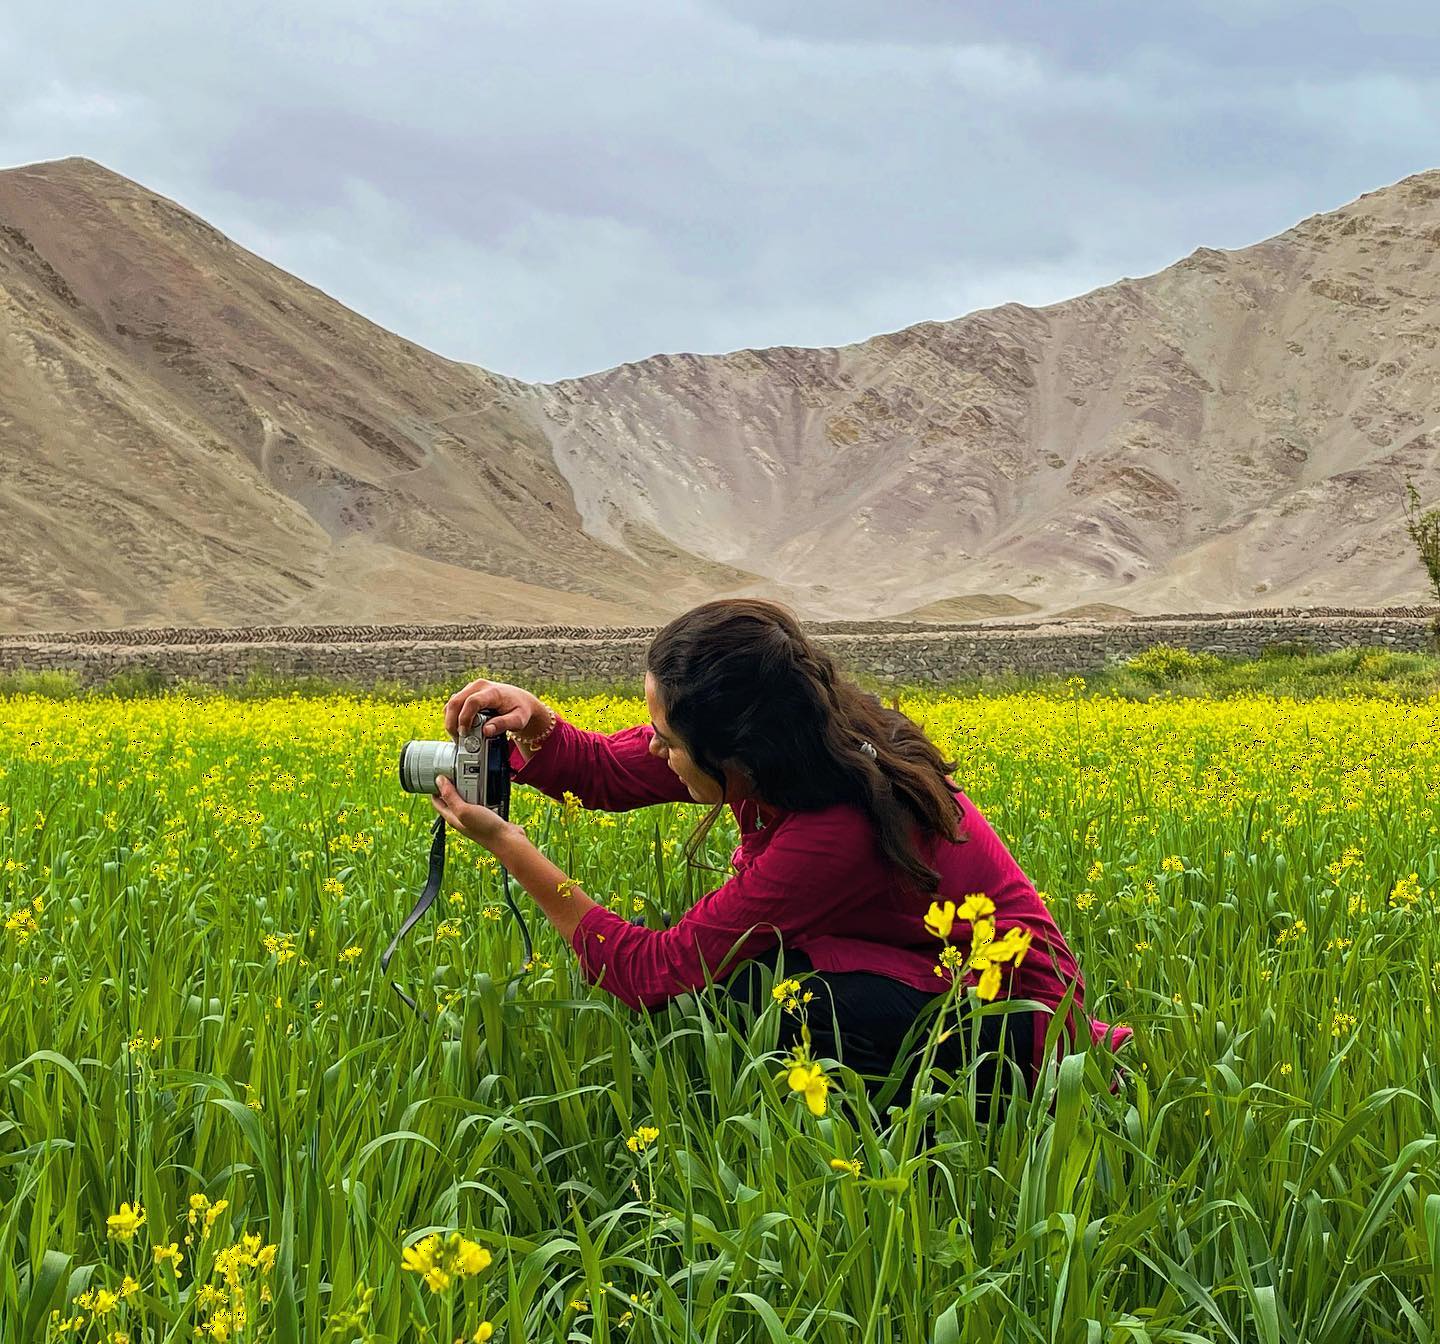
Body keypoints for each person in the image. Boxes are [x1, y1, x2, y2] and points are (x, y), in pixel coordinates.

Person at [429, 598, 1130, 1117]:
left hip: (1016, 1027)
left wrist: (511, 849)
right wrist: (541, 724)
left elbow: (649, 971)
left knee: (767, 997)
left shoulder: (833, 827)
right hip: (943, 979)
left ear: (735, 752)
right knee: (753, 985)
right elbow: (616, 770)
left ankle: (941, 1133)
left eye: (666, 737)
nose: (651, 747)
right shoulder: (796, 742)